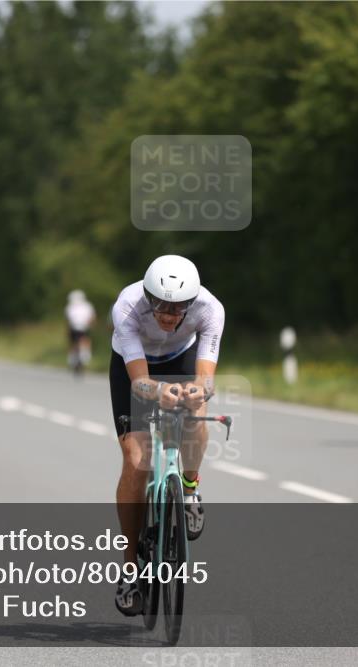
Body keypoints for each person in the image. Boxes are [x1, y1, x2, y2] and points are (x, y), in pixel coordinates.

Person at [109, 255, 225, 616]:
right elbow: (140, 382)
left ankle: (189, 489)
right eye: (159, 304)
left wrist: (199, 391)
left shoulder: (210, 309)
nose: (168, 315)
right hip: (134, 367)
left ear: (192, 302)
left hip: (180, 358)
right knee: (137, 460)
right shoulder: (127, 306)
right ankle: (130, 569)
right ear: (147, 296)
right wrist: (158, 392)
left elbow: (206, 379)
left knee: (196, 413)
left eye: (177, 308)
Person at [65, 290, 96, 374]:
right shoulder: (87, 306)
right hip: (84, 328)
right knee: (85, 342)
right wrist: (91, 325)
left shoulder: (70, 307)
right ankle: (83, 357)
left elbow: (68, 320)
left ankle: (74, 360)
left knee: (74, 344)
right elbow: (92, 317)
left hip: (75, 328)